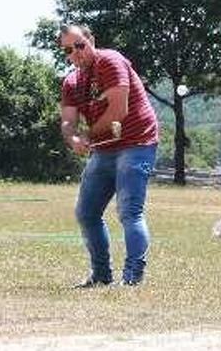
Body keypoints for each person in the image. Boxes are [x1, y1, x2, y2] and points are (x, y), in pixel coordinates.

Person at [58, 24, 160, 287]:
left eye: (80, 44)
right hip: (105, 148)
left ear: (91, 40)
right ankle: (101, 276)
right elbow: (68, 121)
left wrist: (88, 136)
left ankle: (132, 278)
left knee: (129, 211)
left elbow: (118, 111)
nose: (76, 53)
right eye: (69, 50)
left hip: (136, 142)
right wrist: (73, 138)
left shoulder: (110, 61)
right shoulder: (71, 82)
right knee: (86, 212)